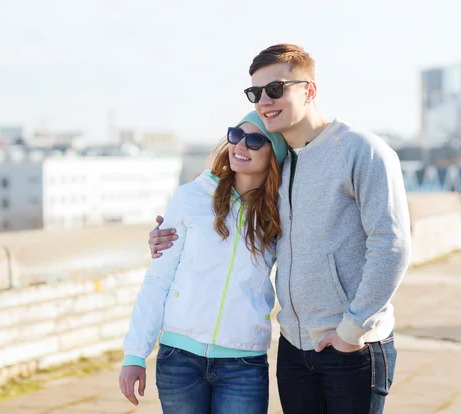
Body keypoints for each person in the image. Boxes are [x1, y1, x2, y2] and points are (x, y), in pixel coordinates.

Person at [148, 44, 412, 413]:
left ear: (310, 90)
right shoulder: (278, 165)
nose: (265, 101)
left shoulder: (361, 150)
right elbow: (229, 224)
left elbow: (391, 244)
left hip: (353, 345)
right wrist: (170, 234)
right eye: (256, 93)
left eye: (276, 89)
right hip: (293, 348)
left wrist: (352, 331)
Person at [119, 111, 288, 414]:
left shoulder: (280, 212)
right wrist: (135, 353)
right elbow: (159, 279)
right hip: (179, 358)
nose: (240, 146)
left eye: (254, 141)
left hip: (244, 363)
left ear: (274, 153)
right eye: (236, 136)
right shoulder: (192, 197)